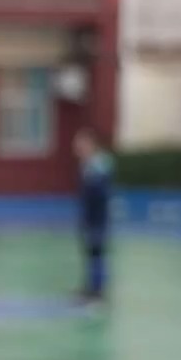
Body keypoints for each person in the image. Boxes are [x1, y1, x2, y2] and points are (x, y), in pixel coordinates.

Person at [73, 127, 113, 304]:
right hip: (90, 217)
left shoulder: (99, 165)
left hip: (98, 218)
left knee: (97, 253)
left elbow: (100, 193)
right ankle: (90, 287)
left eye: (81, 143)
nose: (77, 147)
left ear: (91, 144)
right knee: (90, 253)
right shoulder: (87, 165)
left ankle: (98, 291)